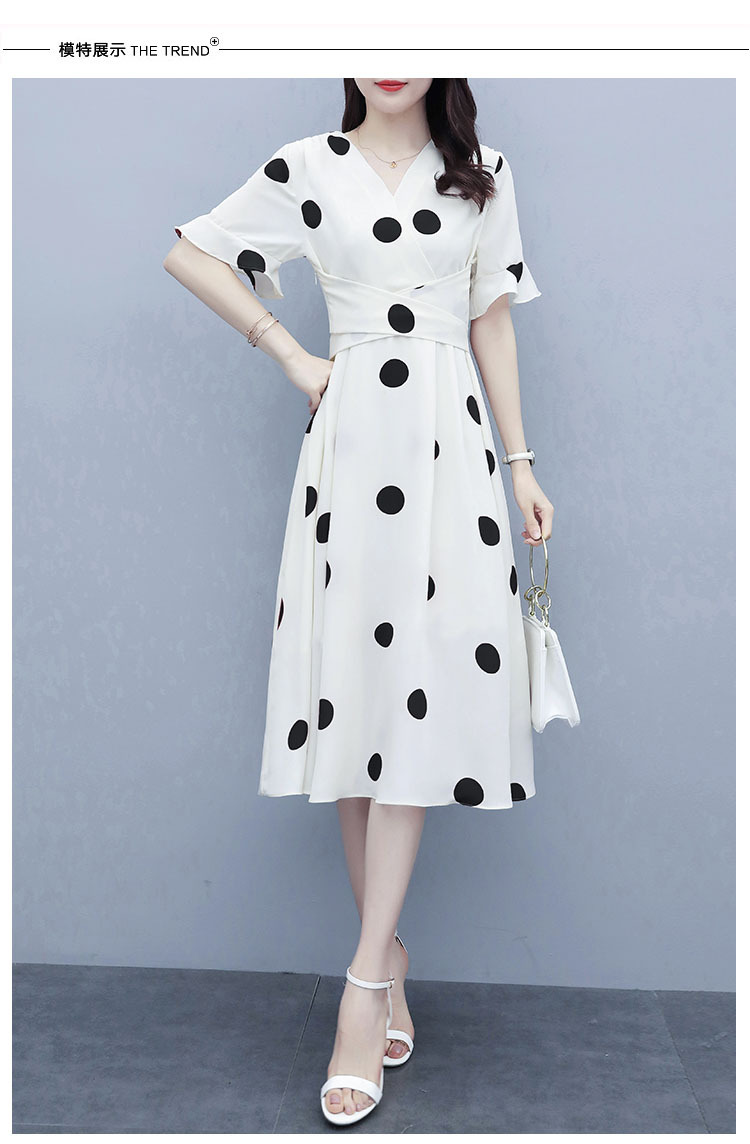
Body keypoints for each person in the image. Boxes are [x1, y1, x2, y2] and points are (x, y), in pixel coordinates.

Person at [164, 77, 554, 1127]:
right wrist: (291, 353)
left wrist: (520, 463)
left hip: (450, 456)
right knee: (355, 703)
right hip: (349, 457)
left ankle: (364, 986)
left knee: (416, 701)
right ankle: (384, 958)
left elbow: (493, 323)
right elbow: (191, 251)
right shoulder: (308, 165)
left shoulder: (483, 176)